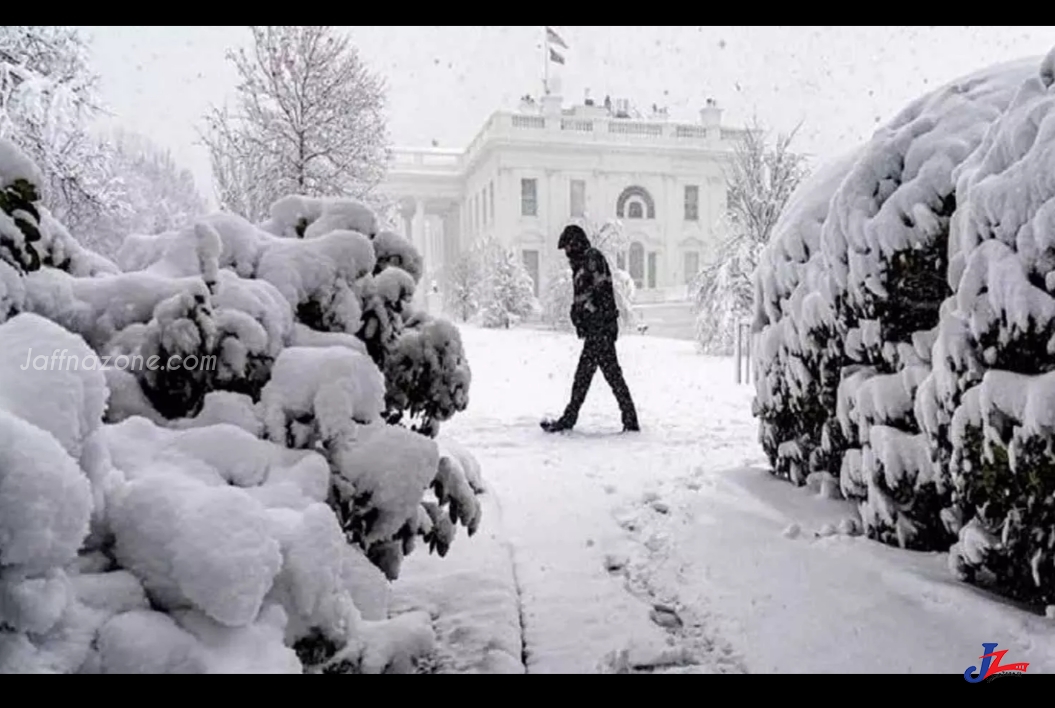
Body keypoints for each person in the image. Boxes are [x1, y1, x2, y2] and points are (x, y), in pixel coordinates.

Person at [541, 224, 640, 434]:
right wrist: (576, 313)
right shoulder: (581, 265)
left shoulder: (591, 259)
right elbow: (583, 296)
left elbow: (602, 293)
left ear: (575, 244)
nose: (567, 254)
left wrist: (591, 317)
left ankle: (570, 420)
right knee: (608, 377)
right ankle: (629, 420)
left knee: (587, 378)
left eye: (568, 248)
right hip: (597, 331)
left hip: (600, 331)